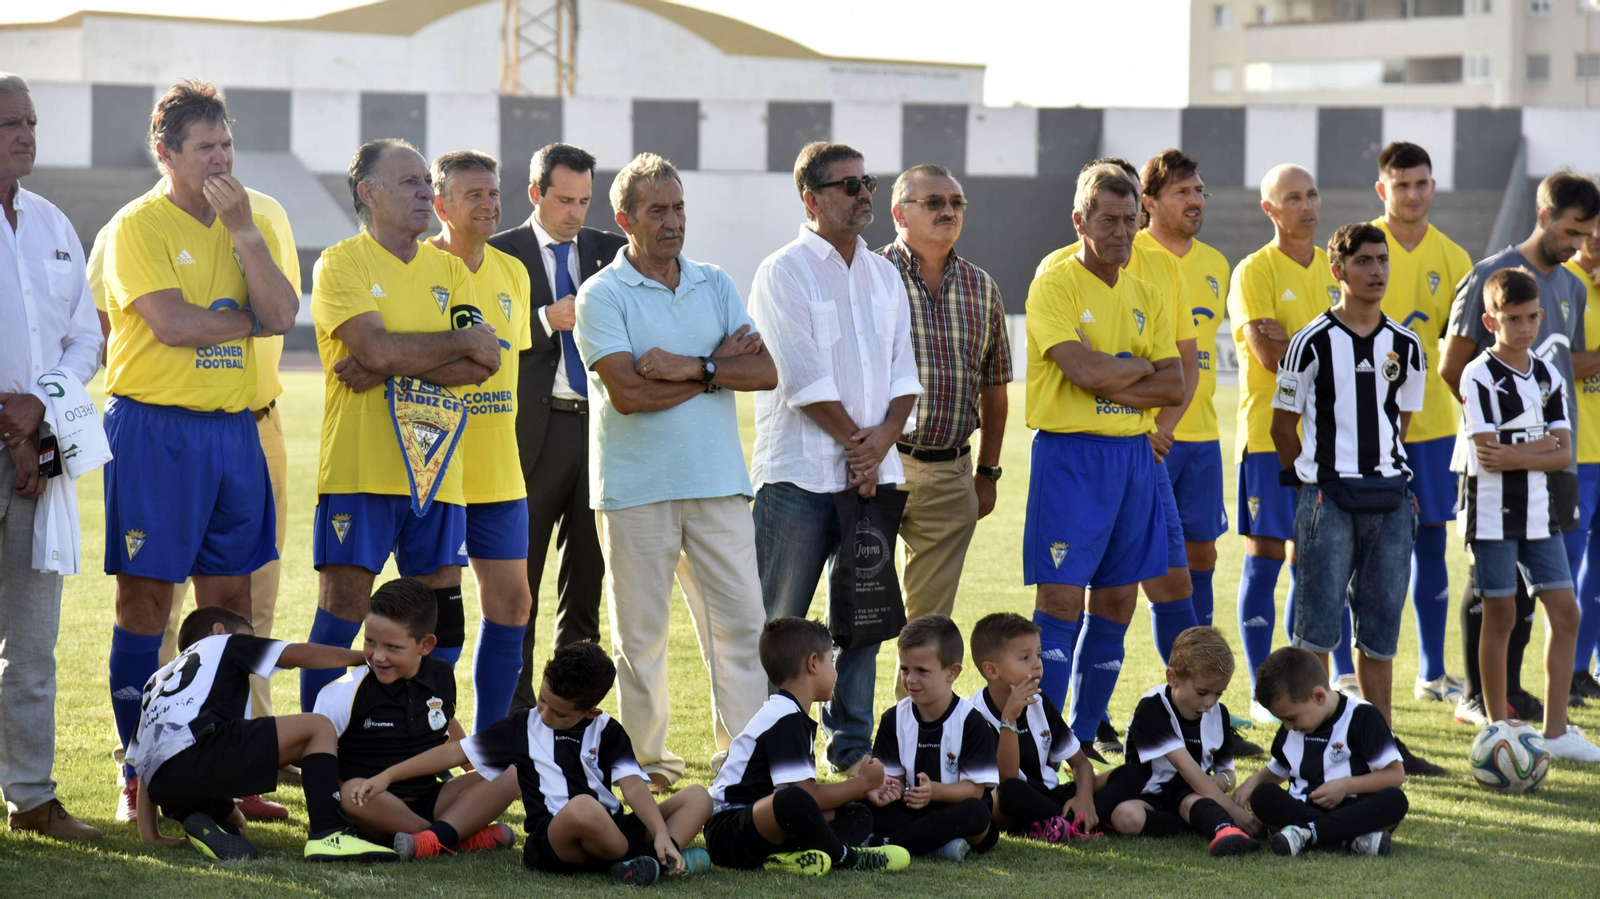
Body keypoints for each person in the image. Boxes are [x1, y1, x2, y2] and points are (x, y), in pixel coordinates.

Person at [100, 79, 299, 821]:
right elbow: (174, 325)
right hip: (155, 430)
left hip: (232, 431)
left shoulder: (249, 218)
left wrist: (244, 233)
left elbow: (282, 313)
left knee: (230, 610)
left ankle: (219, 772)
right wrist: (245, 319)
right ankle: (139, 776)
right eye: (205, 146)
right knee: (146, 602)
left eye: (227, 144)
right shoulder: (137, 226)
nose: (221, 158)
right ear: (166, 153)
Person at [575, 152, 775, 788]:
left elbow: (764, 371)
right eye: (657, 210)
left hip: (718, 485)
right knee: (640, 642)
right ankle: (648, 768)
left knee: (743, 626)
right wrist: (716, 367)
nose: (672, 221)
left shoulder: (714, 282)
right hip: (634, 492)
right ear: (624, 218)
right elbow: (629, 397)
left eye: (679, 207)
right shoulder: (599, 295)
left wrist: (694, 366)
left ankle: (741, 765)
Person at [300, 138, 502, 713]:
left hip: (439, 469)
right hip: (362, 469)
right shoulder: (341, 262)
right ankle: (321, 740)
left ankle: (423, 734)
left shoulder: (451, 269)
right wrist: (447, 345)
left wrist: (390, 362)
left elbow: (483, 362)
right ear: (369, 193)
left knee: (443, 619)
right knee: (341, 613)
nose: (426, 192)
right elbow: (377, 347)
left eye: (426, 181)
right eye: (411, 182)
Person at [749, 141, 922, 776]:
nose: (863, 194)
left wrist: (882, 444)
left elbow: (905, 372)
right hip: (799, 476)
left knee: (864, 619)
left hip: (872, 478)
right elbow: (799, 377)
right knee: (783, 626)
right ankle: (775, 752)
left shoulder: (884, 273)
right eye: (847, 185)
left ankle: (851, 751)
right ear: (811, 198)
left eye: (866, 182)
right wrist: (863, 445)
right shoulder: (784, 270)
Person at [1270, 222, 1442, 776]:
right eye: (1364, 262)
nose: (1376, 272)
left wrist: (1384, 474)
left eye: (1382, 261)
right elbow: (1281, 425)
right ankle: (1316, 744)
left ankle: (1379, 743)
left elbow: (1402, 422)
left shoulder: (1407, 344)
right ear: (1337, 268)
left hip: (1391, 500)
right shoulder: (1309, 341)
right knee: (1317, 625)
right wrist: (1313, 484)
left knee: (1381, 624)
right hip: (1328, 499)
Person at [1022, 163, 1184, 750]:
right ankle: (1045, 737)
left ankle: (1086, 735)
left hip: (1134, 458)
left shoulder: (1147, 292)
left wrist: (1113, 376)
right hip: (1072, 458)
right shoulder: (1054, 283)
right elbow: (1080, 369)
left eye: (1130, 220)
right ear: (1080, 221)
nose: (1121, 232)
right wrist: (1132, 368)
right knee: (1062, 596)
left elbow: (1174, 385)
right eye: (1107, 220)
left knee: (1118, 596)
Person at [1439, 171, 1600, 726]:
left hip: (1552, 467)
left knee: (1546, 595)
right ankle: (1478, 698)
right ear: (1544, 216)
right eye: (1573, 232)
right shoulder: (1489, 274)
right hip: (1489, 478)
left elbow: (1562, 368)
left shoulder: (1574, 286)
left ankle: (1521, 702)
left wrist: (1532, 448)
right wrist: (1502, 433)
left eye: (1588, 235)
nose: (1580, 245)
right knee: (1491, 591)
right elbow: (1454, 367)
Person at [351, 642, 714, 885]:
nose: (544, 713)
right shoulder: (522, 725)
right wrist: (388, 776)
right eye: (542, 700)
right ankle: (645, 861)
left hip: (610, 828)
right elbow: (454, 753)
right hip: (556, 840)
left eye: (559, 713)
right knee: (583, 808)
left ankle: (649, 860)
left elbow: (634, 785)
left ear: (591, 711)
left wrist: (661, 830)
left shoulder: (607, 730)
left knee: (699, 796)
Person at [0, 71, 104, 840]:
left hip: (40, 452)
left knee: (33, 643)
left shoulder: (51, 222)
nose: (26, 134)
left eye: (30, 121)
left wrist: (37, 405)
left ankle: (32, 796)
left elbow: (86, 335)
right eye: (10, 124)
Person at [487, 143, 627, 712]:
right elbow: (484, 335)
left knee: (587, 582)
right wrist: (546, 319)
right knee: (520, 585)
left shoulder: (612, 251)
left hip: (599, 434)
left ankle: (573, 705)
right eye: (564, 199)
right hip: (528, 438)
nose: (575, 212)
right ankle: (517, 711)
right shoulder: (498, 254)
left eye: (585, 200)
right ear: (534, 194)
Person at [877, 163, 1012, 674]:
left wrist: (988, 471)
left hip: (954, 472)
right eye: (933, 202)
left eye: (956, 203)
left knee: (929, 627)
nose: (948, 211)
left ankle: (908, 740)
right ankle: (844, 741)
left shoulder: (983, 287)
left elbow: (995, 386)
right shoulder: (868, 276)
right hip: (879, 467)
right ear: (899, 213)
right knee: (860, 609)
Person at [129, 607, 396, 861]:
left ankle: (208, 826)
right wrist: (365, 657)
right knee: (319, 727)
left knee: (238, 826)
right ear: (218, 630)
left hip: (167, 786)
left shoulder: (154, 681)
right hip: (205, 748)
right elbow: (297, 654)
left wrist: (150, 835)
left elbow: (143, 762)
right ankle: (330, 833)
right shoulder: (225, 642)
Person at [422, 149, 534, 729]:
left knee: (514, 603)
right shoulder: (418, 269)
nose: (489, 204)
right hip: (436, 469)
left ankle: (491, 744)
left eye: (493, 193)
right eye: (473, 195)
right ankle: (429, 734)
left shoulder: (513, 271)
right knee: (437, 617)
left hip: (499, 469)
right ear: (441, 205)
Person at [1226, 163, 1338, 718]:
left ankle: (1303, 683)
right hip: (1270, 437)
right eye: (1293, 197)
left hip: (1329, 440)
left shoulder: (1334, 272)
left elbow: (1313, 356)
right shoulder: (1254, 271)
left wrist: (1295, 341)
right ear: (1270, 209)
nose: (1307, 206)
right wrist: (1319, 352)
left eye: (1312, 194)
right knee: (1265, 558)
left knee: (1313, 563)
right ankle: (1259, 689)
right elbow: (1272, 362)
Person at [1370, 142, 1475, 709]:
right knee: (1359, 549)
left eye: (1420, 183)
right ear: (1382, 190)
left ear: (1432, 187)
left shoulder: (1455, 260)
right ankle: (1343, 674)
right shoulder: (1362, 245)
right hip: (1364, 432)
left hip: (1432, 428)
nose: (1412, 194)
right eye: (1400, 184)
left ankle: (1433, 673)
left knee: (1431, 545)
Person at [313, 577, 518, 853]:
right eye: (370, 642)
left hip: (430, 796)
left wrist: (474, 771)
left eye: (392, 647)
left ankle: (431, 838)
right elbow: (320, 764)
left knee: (512, 771)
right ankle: (451, 837)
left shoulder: (442, 676)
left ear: (426, 645)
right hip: (375, 803)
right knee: (352, 794)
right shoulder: (345, 692)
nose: (378, 656)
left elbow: (442, 721)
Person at [706, 617, 910, 875]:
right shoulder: (786, 719)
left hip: (763, 826)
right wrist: (861, 783)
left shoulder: (790, 713)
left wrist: (860, 792)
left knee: (858, 814)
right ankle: (846, 858)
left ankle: (792, 858)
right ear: (813, 663)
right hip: (729, 832)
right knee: (794, 800)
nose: (835, 672)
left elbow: (807, 798)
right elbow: (805, 797)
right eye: (832, 661)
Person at [1138, 150, 1232, 634]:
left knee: (1202, 551)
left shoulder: (1216, 263)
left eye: (1199, 191)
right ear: (1149, 202)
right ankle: (1179, 685)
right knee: (1144, 563)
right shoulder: (1130, 256)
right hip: (1145, 437)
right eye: (1182, 192)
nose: (1195, 201)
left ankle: (1202, 675)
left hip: (1201, 435)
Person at [1095, 626, 1260, 857]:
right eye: (1203, 692)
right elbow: (1184, 765)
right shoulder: (1152, 707)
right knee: (1125, 817)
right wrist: (1232, 808)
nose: (1211, 702)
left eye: (1219, 693)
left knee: (1190, 798)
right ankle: (1207, 823)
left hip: (1192, 793)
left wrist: (1221, 780)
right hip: (1149, 791)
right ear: (1173, 678)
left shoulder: (1218, 714)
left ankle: (1226, 830)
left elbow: (1228, 773)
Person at [1237, 646, 1409, 857]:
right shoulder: (1291, 727)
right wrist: (1250, 784)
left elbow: (1395, 774)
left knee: (1395, 800)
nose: (1288, 727)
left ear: (1319, 697)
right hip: (1304, 808)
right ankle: (1350, 840)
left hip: (1352, 812)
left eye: (1291, 718)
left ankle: (1306, 833)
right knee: (1263, 795)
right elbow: (1279, 768)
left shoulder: (1363, 717)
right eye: (1282, 720)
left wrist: (1344, 786)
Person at [868, 614, 997, 861]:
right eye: (905, 669)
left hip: (955, 814)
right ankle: (938, 846)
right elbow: (893, 781)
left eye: (922, 671)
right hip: (910, 812)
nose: (910, 679)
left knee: (976, 812)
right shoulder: (893, 719)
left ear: (952, 672)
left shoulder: (972, 721)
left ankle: (887, 844)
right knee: (862, 806)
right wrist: (887, 788)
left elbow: (974, 789)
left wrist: (934, 791)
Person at [966, 612, 1099, 842]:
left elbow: (1081, 763)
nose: (1037, 665)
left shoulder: (1039, 701)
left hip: (1050, 795)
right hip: (1011, 802)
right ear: (991, 670)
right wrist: (1010, 717)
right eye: (1025, 657)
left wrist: (1084, 797)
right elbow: (1006, 779)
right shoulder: (973, 715)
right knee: (1008, 794)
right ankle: (1067, 822)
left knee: (1128, 775)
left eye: (1039, 654)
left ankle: (1066, 818)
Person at [1564, 221, 1600, 703]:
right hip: (1575, 453)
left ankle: (1583, 670)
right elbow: (1558, 362)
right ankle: (1566, 671)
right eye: (1590, 232)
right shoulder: (1561, 284)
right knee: (1564, 570)